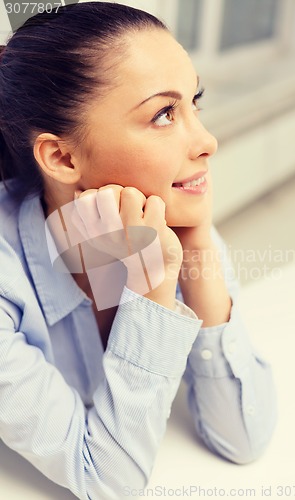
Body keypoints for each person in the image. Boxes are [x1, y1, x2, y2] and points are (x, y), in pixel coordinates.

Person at [0, 2, 276, 499]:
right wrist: (149, 295)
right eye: (164, 113)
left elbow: (242, 437)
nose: (207, 140)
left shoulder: (164, 224)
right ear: (62, 157)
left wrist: (197, 246)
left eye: (196, 102)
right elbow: (107, 482)